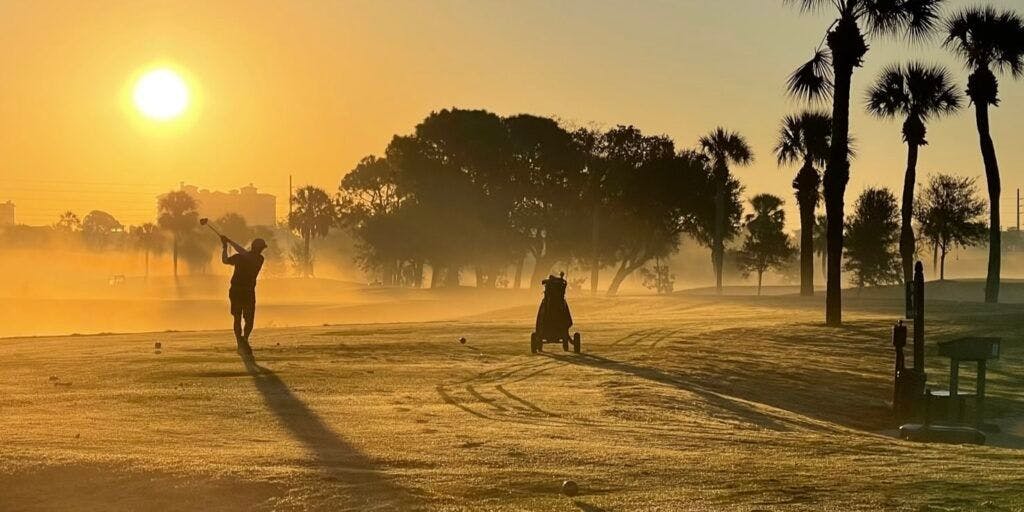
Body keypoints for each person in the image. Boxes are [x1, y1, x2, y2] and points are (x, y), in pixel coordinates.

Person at [221, 235, 267, 356]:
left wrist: (229, 242)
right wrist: (225, 246)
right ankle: (242, 341)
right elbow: (225, 260)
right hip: (244, 292)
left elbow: (240, 254)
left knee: (245, 319)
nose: (262, 250)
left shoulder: (258, 258)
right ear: (258, 248)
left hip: (239, 291)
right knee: (242, 318)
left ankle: (243, 341)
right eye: (261, 248)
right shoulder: (251, 257)